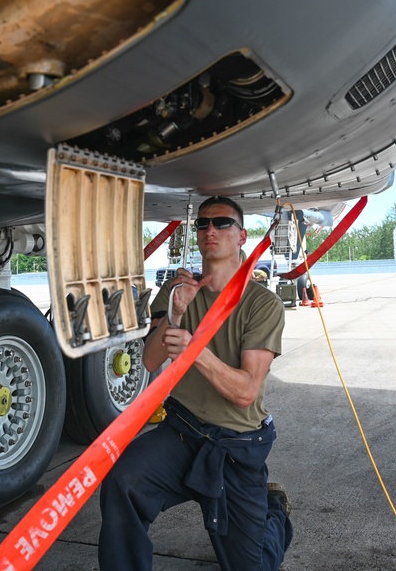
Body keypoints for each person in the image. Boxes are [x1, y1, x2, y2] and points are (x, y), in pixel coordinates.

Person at [99, 195, 294, 571]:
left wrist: (195, 349)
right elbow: (151, 359)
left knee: (249, 566)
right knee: (122, 482)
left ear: (242, 236)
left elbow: (245, 392)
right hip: (183, 432)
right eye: (203, 224)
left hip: (236, 447)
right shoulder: (179, 289)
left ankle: (275, 514)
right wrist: (174, 313)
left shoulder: (261, 304)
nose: (210, 231)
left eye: (222, 224)